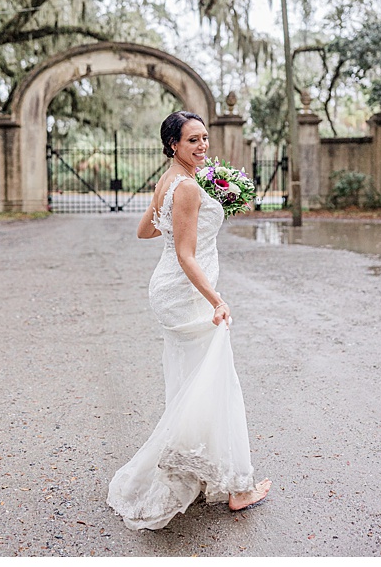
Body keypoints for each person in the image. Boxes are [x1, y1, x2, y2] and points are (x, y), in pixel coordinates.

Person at [108, 111, 269, 528]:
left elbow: (146, 231)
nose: (202, 147)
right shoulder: (187, 190)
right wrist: (217, 299)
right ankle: (238, 487)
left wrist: (196, 207)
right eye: (192, 140)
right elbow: (185, 255)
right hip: (187, 294)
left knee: (192, 382)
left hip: (168, 290)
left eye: (204, 139)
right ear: (173, 145)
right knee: (219, 381)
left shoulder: (170, 181)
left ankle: (196, 470)